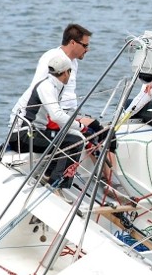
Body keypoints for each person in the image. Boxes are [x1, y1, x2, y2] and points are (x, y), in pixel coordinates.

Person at [11, 23, 116, 182]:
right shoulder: (53, 61)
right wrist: (78, 124)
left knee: (106, 135)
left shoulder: (72, 62)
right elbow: (39, 95)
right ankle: (101, 182)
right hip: (52, 118)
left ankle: (105, 180)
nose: (87, 49)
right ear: (73, 42)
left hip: (63, 116)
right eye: (85, 45)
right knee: (91, 134)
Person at [9, 55, 91, 197]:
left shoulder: (54, 85)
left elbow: (57, 118)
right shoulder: (47, 87)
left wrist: (77, 130)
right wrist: (81, 127)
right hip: (23, 136)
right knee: (74, 142)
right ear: (66, 72)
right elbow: (57, 116)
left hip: (34, 132)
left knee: (72, 138)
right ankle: (56, 184)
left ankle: (48, 174)